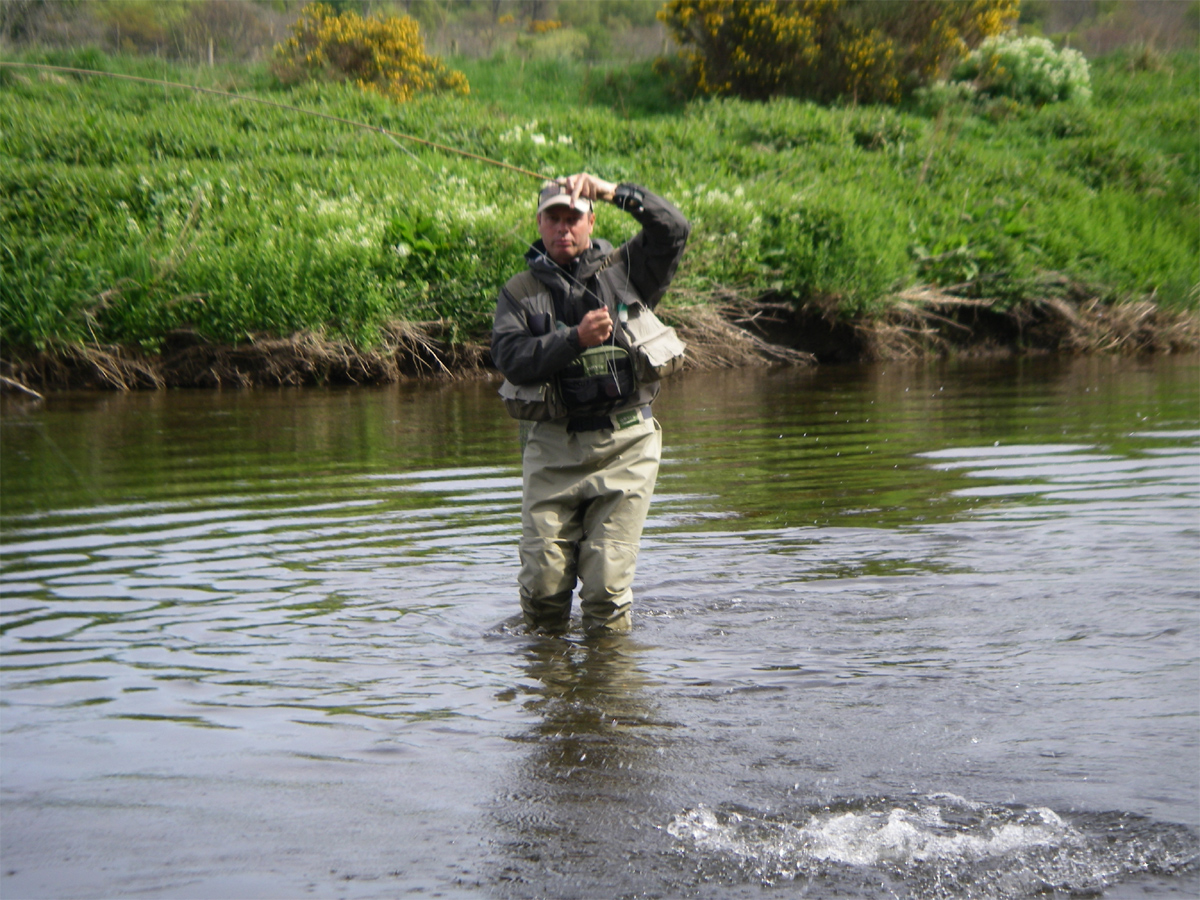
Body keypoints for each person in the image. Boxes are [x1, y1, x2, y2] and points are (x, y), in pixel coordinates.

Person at [491, 173, 690, 636]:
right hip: (551, 450)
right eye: (554, 218)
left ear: (590, 221)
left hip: (627, 445)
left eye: (573, 218)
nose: (564, 228)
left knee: (604, 595)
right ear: (539, 224)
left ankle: (608, 696)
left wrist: (613, 189)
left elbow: (674, 229)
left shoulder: (629, 269)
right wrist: (573, 340)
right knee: (542, 596)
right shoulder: (518, 293)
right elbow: (511, 360)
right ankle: (552, 694)